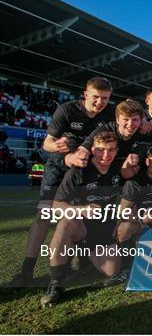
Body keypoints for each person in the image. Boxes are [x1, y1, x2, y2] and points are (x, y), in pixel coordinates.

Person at [6, 77, 115, 291]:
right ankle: (26, 272)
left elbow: (127, 118)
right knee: (43, 217)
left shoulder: (109, 113)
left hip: (85, 172)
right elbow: (47, 143)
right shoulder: (66, 110)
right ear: (85, 94)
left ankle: (75, 264)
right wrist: (56, 146)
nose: (99, 102)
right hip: (59, 168)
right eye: (95, 97)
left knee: (78, 217)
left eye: (104, 98)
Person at [40, 131, 125, 306]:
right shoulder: (77, 172)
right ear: (92, 149)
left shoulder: (119, 170)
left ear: (116, 151)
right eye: (101, 150)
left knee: (110, 271)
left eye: (110, 150)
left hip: (103, 226)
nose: (105, 155)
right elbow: (57, 205)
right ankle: (55, 283)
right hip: (81, 224)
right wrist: (81, 210)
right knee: (66, 222)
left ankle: (83, 252)